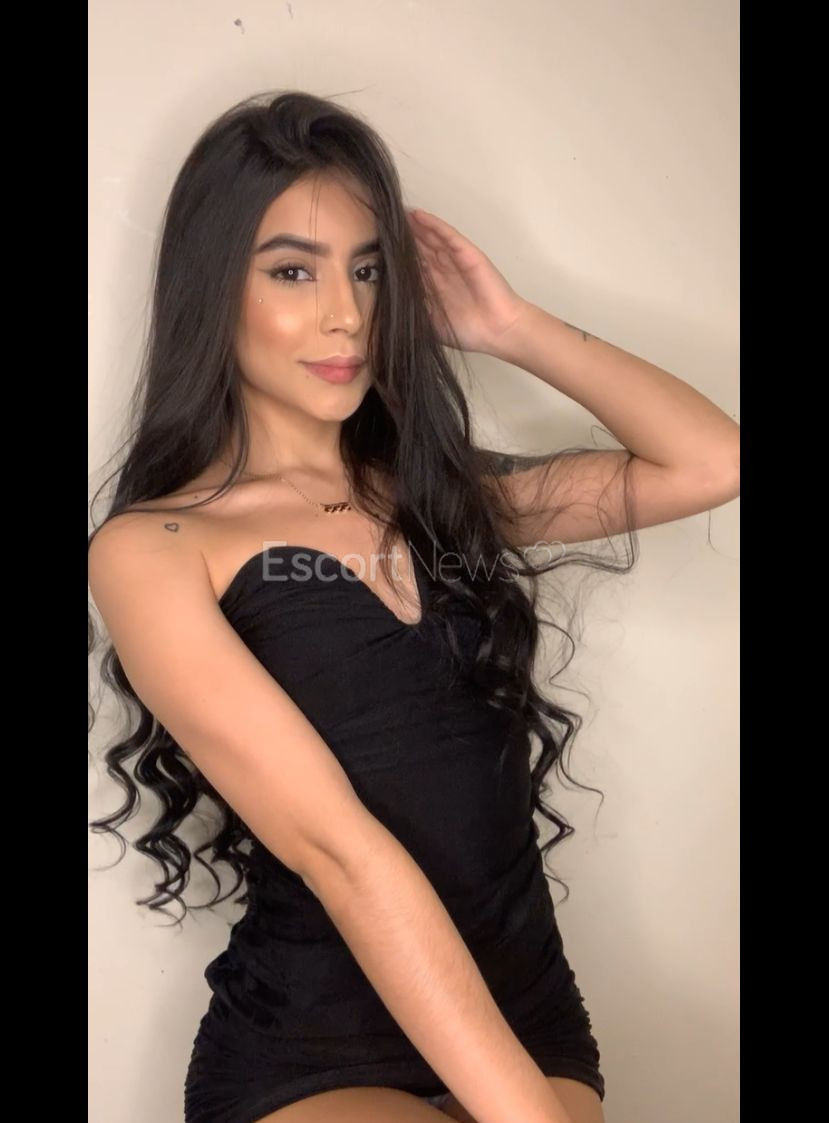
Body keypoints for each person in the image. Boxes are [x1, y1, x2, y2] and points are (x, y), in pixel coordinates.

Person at [87, 89, 740, 1123]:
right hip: (313, 1045)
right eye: (292, 271)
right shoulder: (155, 550)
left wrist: (510, 327)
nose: (345, 314)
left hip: (522, 1010)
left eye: (367, 269)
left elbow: (708, 462)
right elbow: (337, 849)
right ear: (213, 287)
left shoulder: (448, 499)